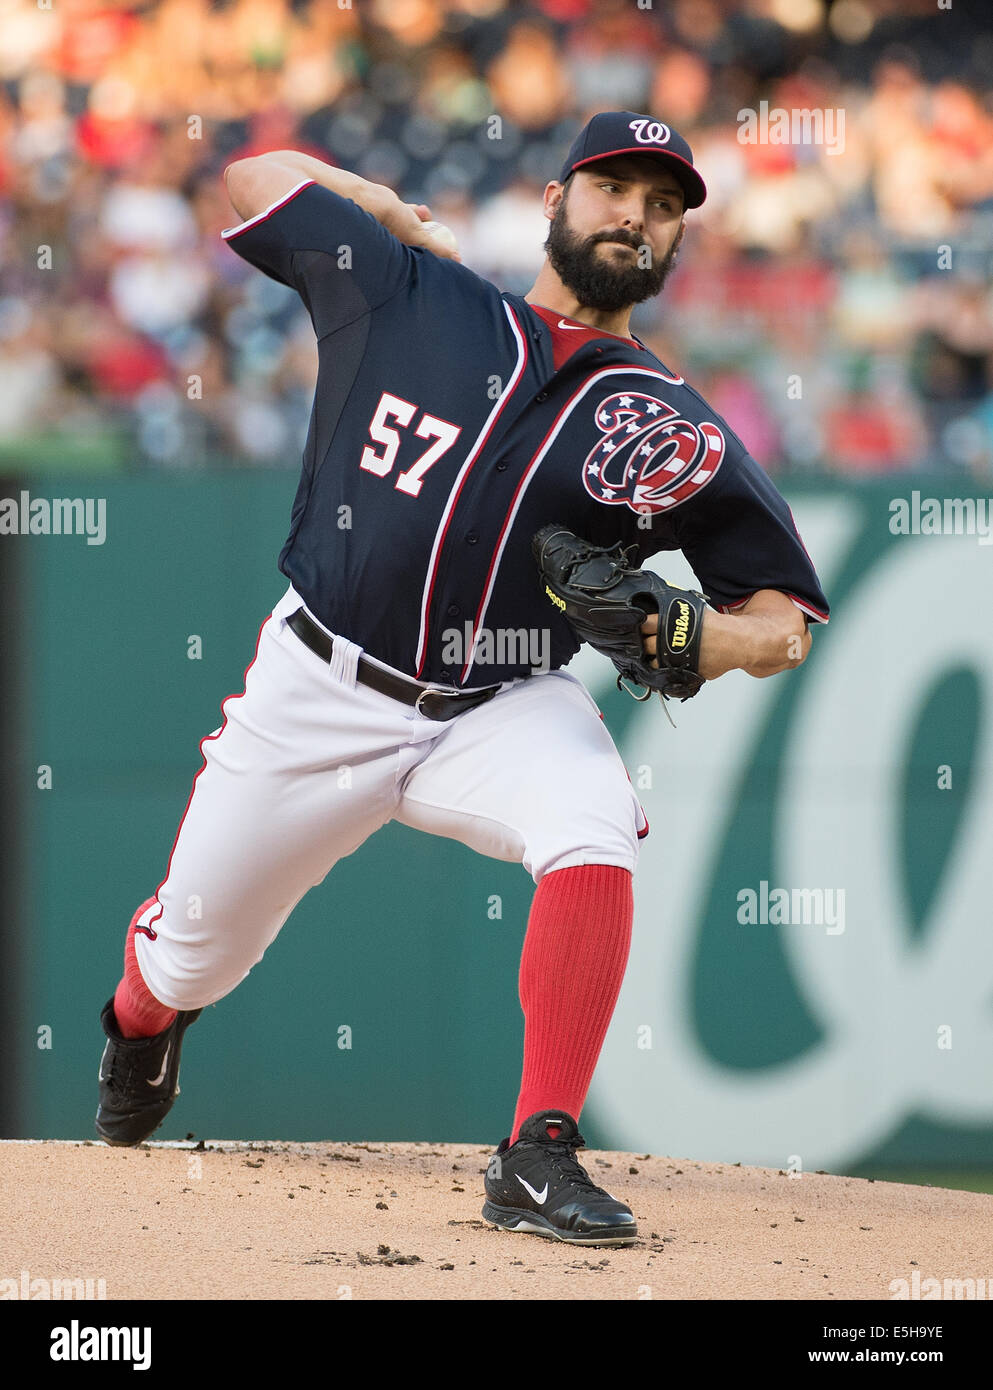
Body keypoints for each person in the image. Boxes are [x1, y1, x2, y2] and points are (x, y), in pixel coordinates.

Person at [95, 111, 828, 1247]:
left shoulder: (666, 422)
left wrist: (694, 632)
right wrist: (383, 208)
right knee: (196, 948)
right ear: (553, 198)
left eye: (665, 201)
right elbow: (248, 177)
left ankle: (537, 1153)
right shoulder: (413, 292)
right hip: (318, 689)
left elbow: (785, 625)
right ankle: (143, 1015)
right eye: (613, 186)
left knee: (595, 819)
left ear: (680, 236)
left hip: (503, 699)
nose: (637, 212)